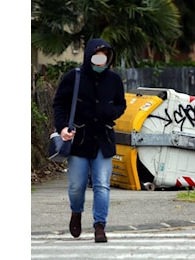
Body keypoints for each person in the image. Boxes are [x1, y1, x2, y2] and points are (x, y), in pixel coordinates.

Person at [52, 38, 127, 243]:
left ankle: (99, 225)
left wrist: (109, 111)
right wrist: (62, 128)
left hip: (103, 139)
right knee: (77, 185)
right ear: (89, 56)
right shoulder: (73, 77)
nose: (100, 61)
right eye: (97, 56)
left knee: (102, 185)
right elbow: (59, 104)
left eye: (105, 56)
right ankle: (76, 212)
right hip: (79, 140)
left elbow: (121, 105)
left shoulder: (114, 80)